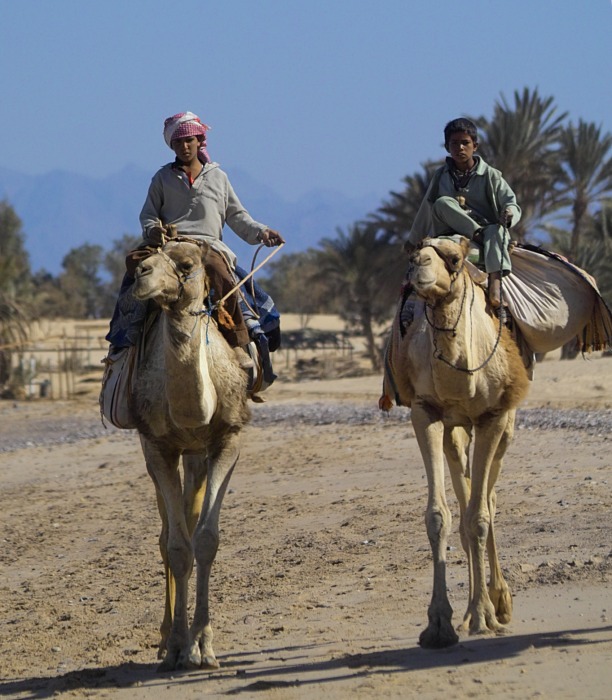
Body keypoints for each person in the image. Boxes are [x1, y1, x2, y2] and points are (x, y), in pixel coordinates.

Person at [113, 111, 284, 368]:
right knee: (137, 268)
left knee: (220, 273)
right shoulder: (162, 179)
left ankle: (238, 343)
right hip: (169, 246)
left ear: (199, 141)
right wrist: (154, 230)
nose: (184, 146)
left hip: (207, 246)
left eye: (189, 140)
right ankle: (125, 339)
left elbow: (237, 216)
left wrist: (262, 232)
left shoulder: (218, 177)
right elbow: (148, 215)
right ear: (172, 145)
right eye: (178, 142)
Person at [405, 118, 521, 308]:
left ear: (474, 146)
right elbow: (427, 207)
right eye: (454, 143)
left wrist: (509, 214)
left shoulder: (491, 176)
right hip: (450, 233)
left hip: (487, 234)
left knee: (497, 231)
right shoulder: (441, 175)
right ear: (447, 147)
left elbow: (511, 203)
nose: (460, 148)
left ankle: (495, 288)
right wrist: (412, 240)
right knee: (442, 203)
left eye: (465, 143)